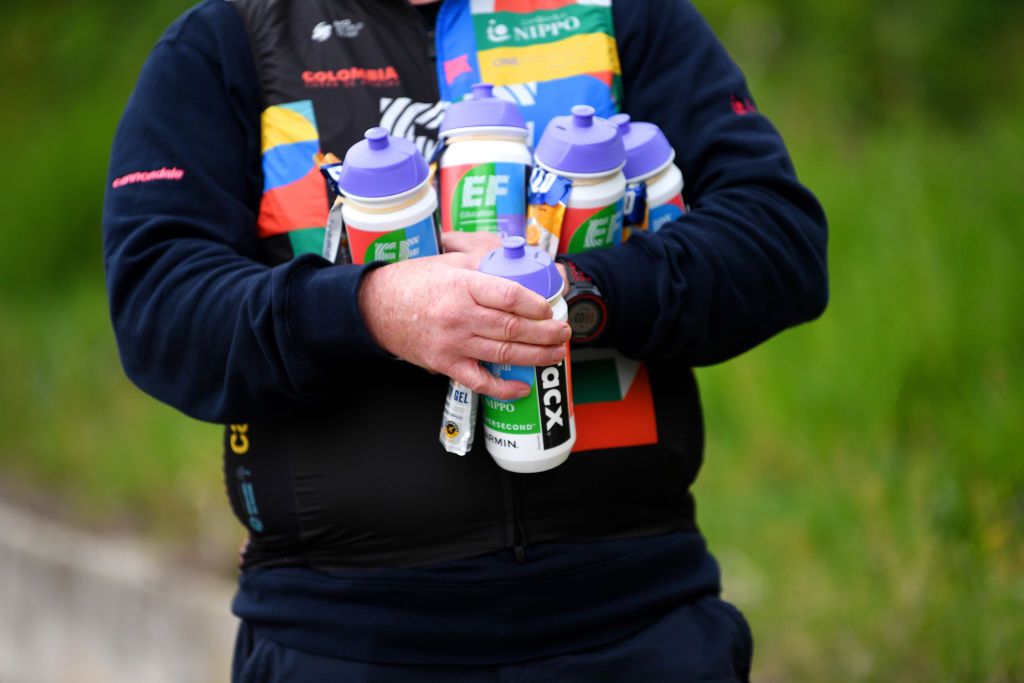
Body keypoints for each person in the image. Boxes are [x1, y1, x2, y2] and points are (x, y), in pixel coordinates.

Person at [102, 0, 828, 680]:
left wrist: (570, 293)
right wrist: (370, 306)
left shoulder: (618, 13)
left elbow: (779, 240)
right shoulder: (230, 38)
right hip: (343, 635)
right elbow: (157, 305)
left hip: (637, 616)